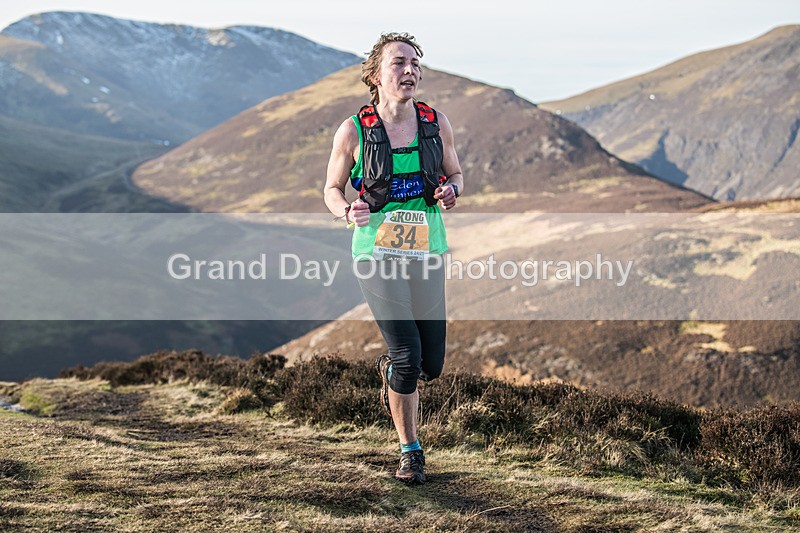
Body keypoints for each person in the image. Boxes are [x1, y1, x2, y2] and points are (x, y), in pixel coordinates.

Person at [323, 32, 464, 484]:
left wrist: (450, 190)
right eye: (399, 63)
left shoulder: (435, 122)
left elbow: (456, 173)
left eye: (415, 64)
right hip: (376, 254)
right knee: (408, 356)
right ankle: (411, 451)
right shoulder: (354, 130)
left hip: (425, 251)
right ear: (376, 75)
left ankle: (389, 372)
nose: (410, 71)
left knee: (431, 364)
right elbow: (331, 189)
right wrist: (347, 209)